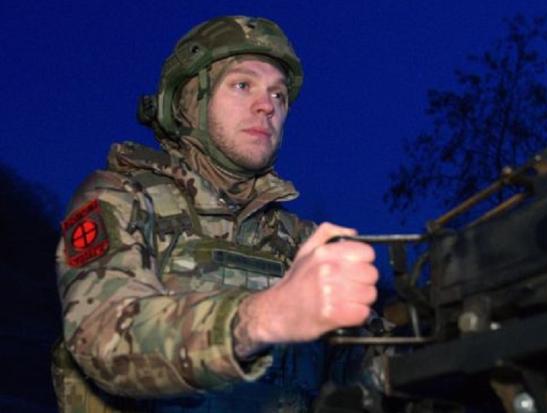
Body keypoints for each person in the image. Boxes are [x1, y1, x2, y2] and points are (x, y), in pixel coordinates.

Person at [52, 15, 378, 412]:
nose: (266, 106)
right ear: (190, 102)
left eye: (278, 95)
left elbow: (369, 365)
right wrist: (263, 317)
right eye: (243, 85)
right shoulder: (123, 199)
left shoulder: (301, 242)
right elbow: (103, 337)